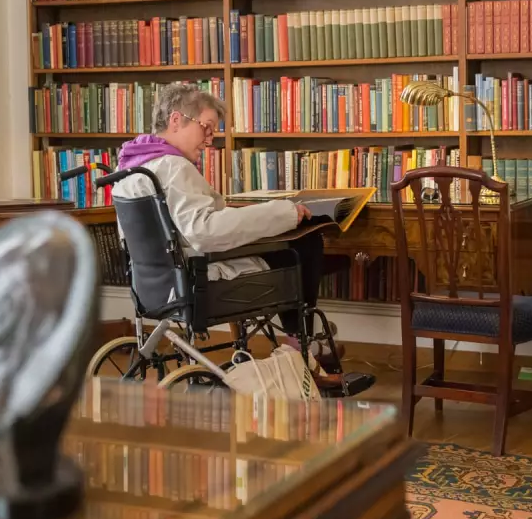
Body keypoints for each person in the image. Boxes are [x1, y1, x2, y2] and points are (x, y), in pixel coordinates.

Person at [111, 83, 362, 391]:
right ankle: (302, 348)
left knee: (292, 245)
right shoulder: (173, 166)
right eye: (206, 128)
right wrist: (282, 213)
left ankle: (308, 346)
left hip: (153, 285)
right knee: (301, 246)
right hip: (199, 281)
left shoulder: (131, 168)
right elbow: (204, 232)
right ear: (176, 120)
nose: (210, 139)